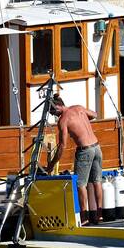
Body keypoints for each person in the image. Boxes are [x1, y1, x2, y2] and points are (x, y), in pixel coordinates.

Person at [46, 96, 103, 225]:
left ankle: (85, 217)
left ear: (58, 106)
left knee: (80, 184)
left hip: (85, 151)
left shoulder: (63, 120)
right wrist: (82, 122)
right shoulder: (79, 108)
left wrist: (52, 164)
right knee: (97, 180)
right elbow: (94, 114)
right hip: (97, 147)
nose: (53, 115)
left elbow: (62, 145)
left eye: (52, 111)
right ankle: (99, 215)